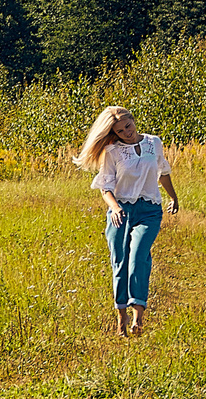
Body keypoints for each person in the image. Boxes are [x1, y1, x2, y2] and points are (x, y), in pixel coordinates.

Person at [75, 104, 179, 338]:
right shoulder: (112, 151)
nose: (127, 133)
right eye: (120, 131)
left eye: (128, 126)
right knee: (120, 262)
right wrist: (114, 208)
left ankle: (138, 318)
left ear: (133, 120)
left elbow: (163, 172)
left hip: (149, 210)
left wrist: (174, 197)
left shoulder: (154, 143)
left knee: (139, 257)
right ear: (114, 133)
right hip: (121, 211)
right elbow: (105, 188)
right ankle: (121, 318)